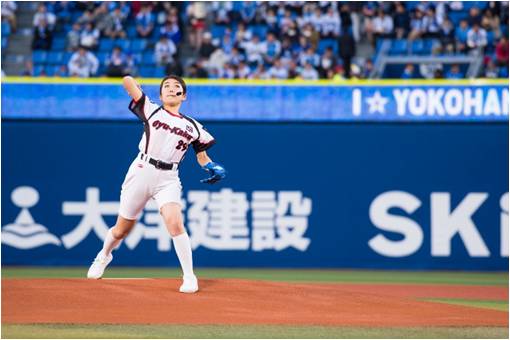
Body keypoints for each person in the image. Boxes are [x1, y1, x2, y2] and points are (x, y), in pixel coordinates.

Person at [87, 75, 227, 294]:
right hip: (142, 170)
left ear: (184, 95)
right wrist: (133, 83)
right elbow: (126, 82)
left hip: (168, 178)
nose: (172, 89)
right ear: (161, 94)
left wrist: (213, 167)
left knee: (175, 223)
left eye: (177, 87)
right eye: (167, 87)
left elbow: (202, 156)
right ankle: (104, 255)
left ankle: (189, 276)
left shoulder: (193, 127)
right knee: (122, 229)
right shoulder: (151, 110)